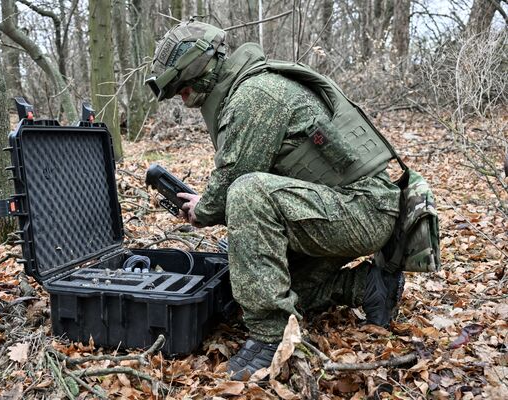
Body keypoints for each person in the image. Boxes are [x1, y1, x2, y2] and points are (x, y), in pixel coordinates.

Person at [146, 19, 405, 380]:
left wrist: (202, 209)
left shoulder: (255, 94)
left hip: (360, 211)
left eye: (181, 88)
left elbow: (235, 183)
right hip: (348, 210)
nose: (181, 97)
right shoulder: (251, 88)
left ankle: (271, 339)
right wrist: (208, 205)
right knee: (262, 286)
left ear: (197, 70)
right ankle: (369, 286)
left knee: (248, 194)